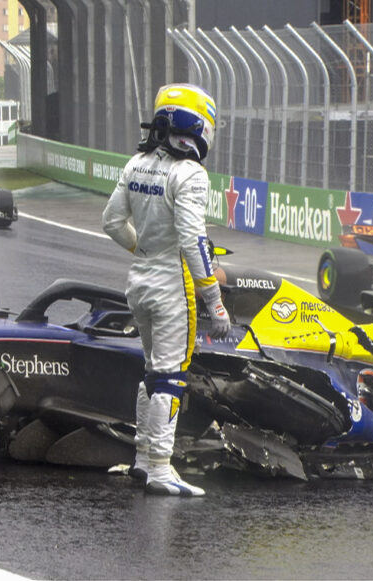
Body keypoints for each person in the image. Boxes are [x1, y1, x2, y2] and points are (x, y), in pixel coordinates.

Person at [101, 83, 230, 497]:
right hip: (172, 285)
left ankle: (142, 459)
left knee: (152, 372)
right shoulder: (190, 173)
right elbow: (194, 242)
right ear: (197, 125)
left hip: (138, 281)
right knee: (171, 378)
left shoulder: (135, 163)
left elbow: (112, 222)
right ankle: (160, 466)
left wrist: (145, 251)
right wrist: (215, 301)